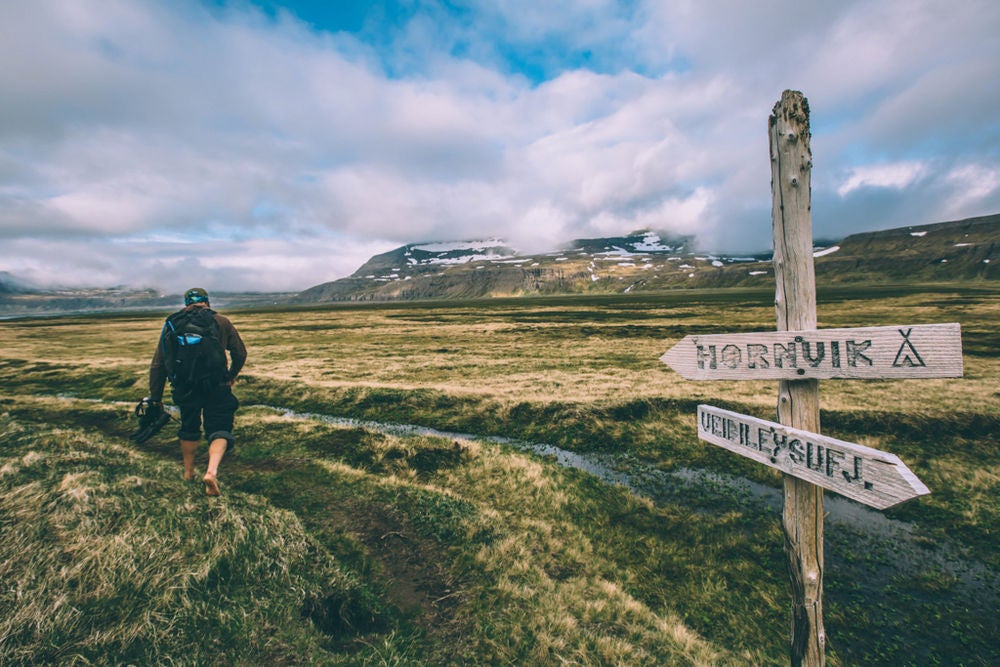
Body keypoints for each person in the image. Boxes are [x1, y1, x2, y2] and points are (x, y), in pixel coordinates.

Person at [147, 287, 247, 496]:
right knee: (219, 426)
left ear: (186, 303)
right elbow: (240, 353)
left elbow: (159, 364)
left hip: (184, 387)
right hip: (217, 385)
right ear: (207, 302)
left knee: (189, 426)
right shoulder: (221, 322)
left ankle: (188, 473)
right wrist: (231, 376)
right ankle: (211, 471)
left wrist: (156, 398)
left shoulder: (172, 323)